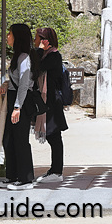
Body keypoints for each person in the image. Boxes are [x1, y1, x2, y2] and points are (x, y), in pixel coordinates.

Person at [0, 23, 38, 190]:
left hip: (20, 101)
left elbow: (24, 85)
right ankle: (12, 175)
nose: (7, 36)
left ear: (17, 37)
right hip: (14, 99)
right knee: (9, 138)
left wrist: (17, 107)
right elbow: (16, 82)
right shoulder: (18, 57)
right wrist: (6, 85)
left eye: (10, 33)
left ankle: (26, 178)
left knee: (21, 140)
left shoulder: (24, 58)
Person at [33, 27, 68, 183]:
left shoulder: (53, 56)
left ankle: (57, 171)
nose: (35, 41)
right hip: (47, 101)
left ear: (45, 40)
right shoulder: (48, 55)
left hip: (52, 101)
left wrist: (39, 51)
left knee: (54, 136)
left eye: (38, 38)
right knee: (51, 136)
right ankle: (54, 169)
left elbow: (38, 67)